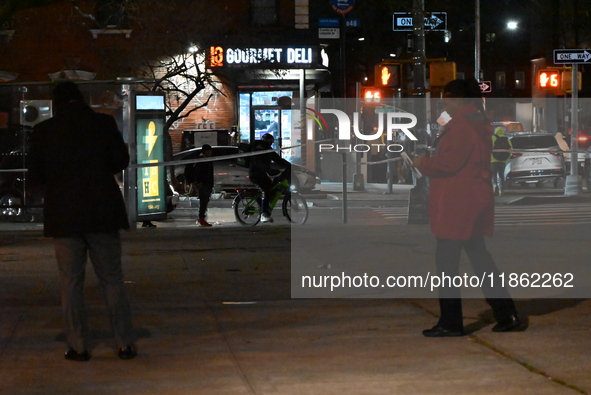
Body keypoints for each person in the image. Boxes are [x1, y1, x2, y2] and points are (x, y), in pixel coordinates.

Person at [28, 81, 137, 361]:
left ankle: (78, 345)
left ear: (56, 102)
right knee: (112, 279)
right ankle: (124, 343)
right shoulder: (103, 123)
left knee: (71, 282)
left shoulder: (44, 131)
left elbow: (36, 175)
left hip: (64, 216)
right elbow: (120, 161)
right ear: (81, 99)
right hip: (102, 212)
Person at [412, 79, 522, 337]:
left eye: (446, 97)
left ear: (458, 99)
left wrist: (421, 162)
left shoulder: (462, 126)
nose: (443, 102)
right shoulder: (477, 122)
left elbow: (448, 164)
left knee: (447, 264)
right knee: (480, 258)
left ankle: (451, 322)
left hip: (457, 202)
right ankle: (507, 313)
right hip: (472, 199)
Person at [248, 133, 291, 223]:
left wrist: (289, 166)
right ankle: (264, 214)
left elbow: (277, 159)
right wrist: (268, 169)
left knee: (272, 190)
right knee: (267, 191)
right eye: (270, 142)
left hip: (263, 174)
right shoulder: (257, 148)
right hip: (255, 174)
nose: (271, 144)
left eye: (271, 142)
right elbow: (257, 162)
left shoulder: (268, 149)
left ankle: (264, 206)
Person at [192, 144, 214, 227]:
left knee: (205, 201)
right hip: (202, 184)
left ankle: (201, 218)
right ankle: (201, 218)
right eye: (208, 151)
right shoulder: (200, 161)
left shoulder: (208, 160)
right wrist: (198, 183)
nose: (210, 152)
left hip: (207, 184)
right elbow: (198, 173)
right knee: (203, 201)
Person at [491, 126, 513, 196]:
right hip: (503, 160)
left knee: (493, 175)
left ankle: (494, 187)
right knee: (501, 175)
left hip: (493, 160)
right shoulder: (507, 139)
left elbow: (488, 147)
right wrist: (507, 158)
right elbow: (510, 149)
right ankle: (502, 190)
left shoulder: (493, 138)